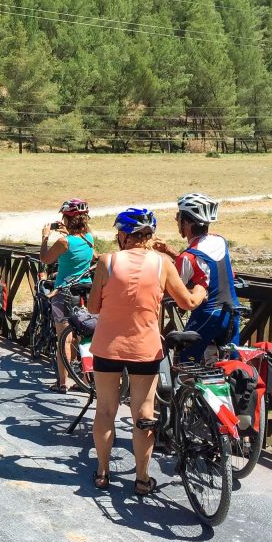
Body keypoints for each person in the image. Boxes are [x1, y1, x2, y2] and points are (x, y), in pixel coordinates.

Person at [88, 208, 206, 495]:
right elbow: (188, 302)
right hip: (145, 348)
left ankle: (102, 473)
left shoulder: (107, 261)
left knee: (105, 410)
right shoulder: (162, 263)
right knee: (143, 412)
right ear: (149, 235)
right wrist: (202, 288)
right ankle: (142, 479)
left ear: (123, 235)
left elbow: (92, 308)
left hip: (107, 346)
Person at [154, 193, 239, 364]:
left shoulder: (187, 257)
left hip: (206, 315)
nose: (176, 219)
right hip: (232, 312)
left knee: (185, 363)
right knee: (232, 366)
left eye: (178, 216)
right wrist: (170, 251)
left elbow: (176, 290)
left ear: (187, 222)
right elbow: (204, 265)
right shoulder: (220, 241)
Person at [40, 198, 95, 393]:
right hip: (86, 290)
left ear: (66, 219)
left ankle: (63, 382)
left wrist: (45, 237)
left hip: (64, 291)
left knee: (65, 337)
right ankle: (87, 379)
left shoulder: (64, 242)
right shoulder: (89, 238)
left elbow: (45, 258)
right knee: (86, 334)